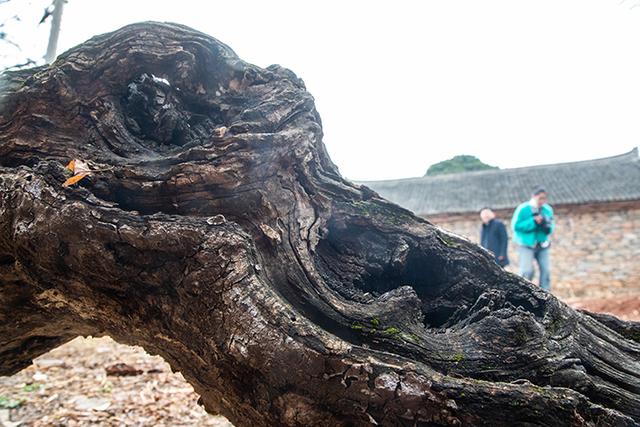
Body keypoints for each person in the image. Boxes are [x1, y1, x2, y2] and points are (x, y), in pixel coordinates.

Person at [511, 187, 555, 291]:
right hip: (526, 244)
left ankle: (546, 294)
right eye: (540, 198)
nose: (542, 201)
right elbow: (516, 226)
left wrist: (545, 223)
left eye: (544, 199)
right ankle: (523, 292)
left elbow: (551, 226)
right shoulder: (523, 209)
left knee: (546, 270)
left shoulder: (547, 210)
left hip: (542, 244)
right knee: (527, 271)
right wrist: (533, 222)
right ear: (534, 197)